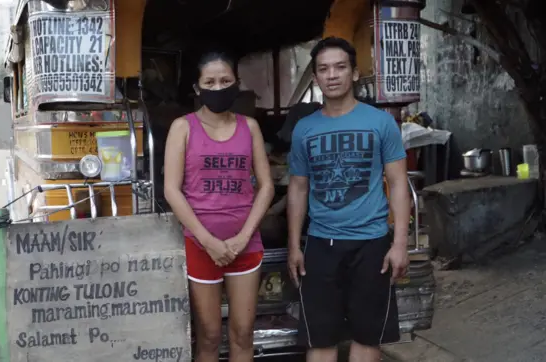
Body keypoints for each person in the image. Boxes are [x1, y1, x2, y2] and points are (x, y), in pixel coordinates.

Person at [286, 37, 410, 362]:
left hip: (371, 244)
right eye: (324, 69)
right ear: (315, 78)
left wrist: (399, 244)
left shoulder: (381, 123)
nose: (332, 75)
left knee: (368, 337)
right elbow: (298, 188)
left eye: (340, 67)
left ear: (355, 73)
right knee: (320, 339)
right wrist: (294, 246)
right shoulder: (304, 129)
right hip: (320, 244)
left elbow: (397, 183)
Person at [163, 51, 274, 362]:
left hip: (246, 245)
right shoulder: (182, 128)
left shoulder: (249, 126)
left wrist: (242, 238)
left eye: (225, 81)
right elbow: (172, 190)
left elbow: (266, 186)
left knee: (242, 334)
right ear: (197, 89)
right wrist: (208, 241)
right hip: (200, 245)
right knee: (209, 336)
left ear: (236, 84)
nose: (218, 87)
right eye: (209, 82)